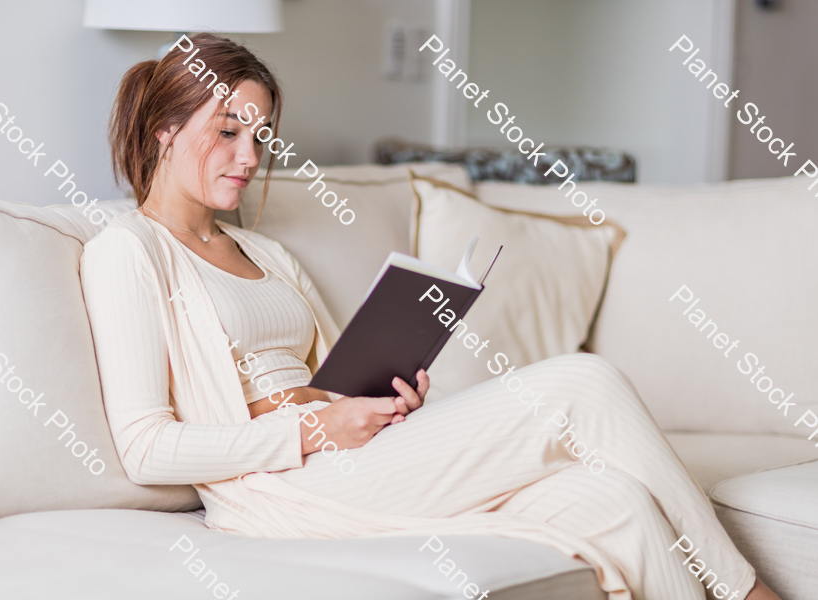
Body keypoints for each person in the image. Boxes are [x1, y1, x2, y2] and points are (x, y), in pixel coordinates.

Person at [79, 33, 781, 600]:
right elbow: (146, 446)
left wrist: (380, 399)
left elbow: (331, 378)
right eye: (229, 131)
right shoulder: (129, 251)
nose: (249, 157)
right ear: (164, 129)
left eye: (261, 137)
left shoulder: (264, 252)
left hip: (354, 454)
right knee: (585, 385)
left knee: (610, 500)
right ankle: (751, 593)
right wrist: (314, 426)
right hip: (279, 489)